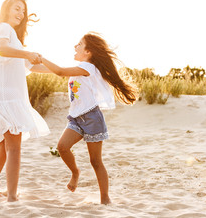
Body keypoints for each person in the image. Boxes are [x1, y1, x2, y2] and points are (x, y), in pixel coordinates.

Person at [39, 32, 138, 205]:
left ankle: (105, 198)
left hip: (92, 118)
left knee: (95, 161)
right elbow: (51, 69)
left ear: (88, 52)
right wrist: (26, 62)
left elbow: (60, 71)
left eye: (79, 44)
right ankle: (75, 172)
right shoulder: (79, 68)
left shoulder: (88, 68)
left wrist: (41, 57)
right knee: (62, 147)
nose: (75, 46)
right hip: (76, 118)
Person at [0, 0, 51, 202]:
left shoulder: (14, 38)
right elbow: (1, 49)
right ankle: (12, 196)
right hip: (5, 98)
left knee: (4, 149)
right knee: (14, 148)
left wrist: (60, 71)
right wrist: (27, 53)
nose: (21, 14)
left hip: (0, 97)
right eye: (17, 9)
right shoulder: (3, 28)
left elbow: (32, 66)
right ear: (6, 9)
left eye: (23, 11)